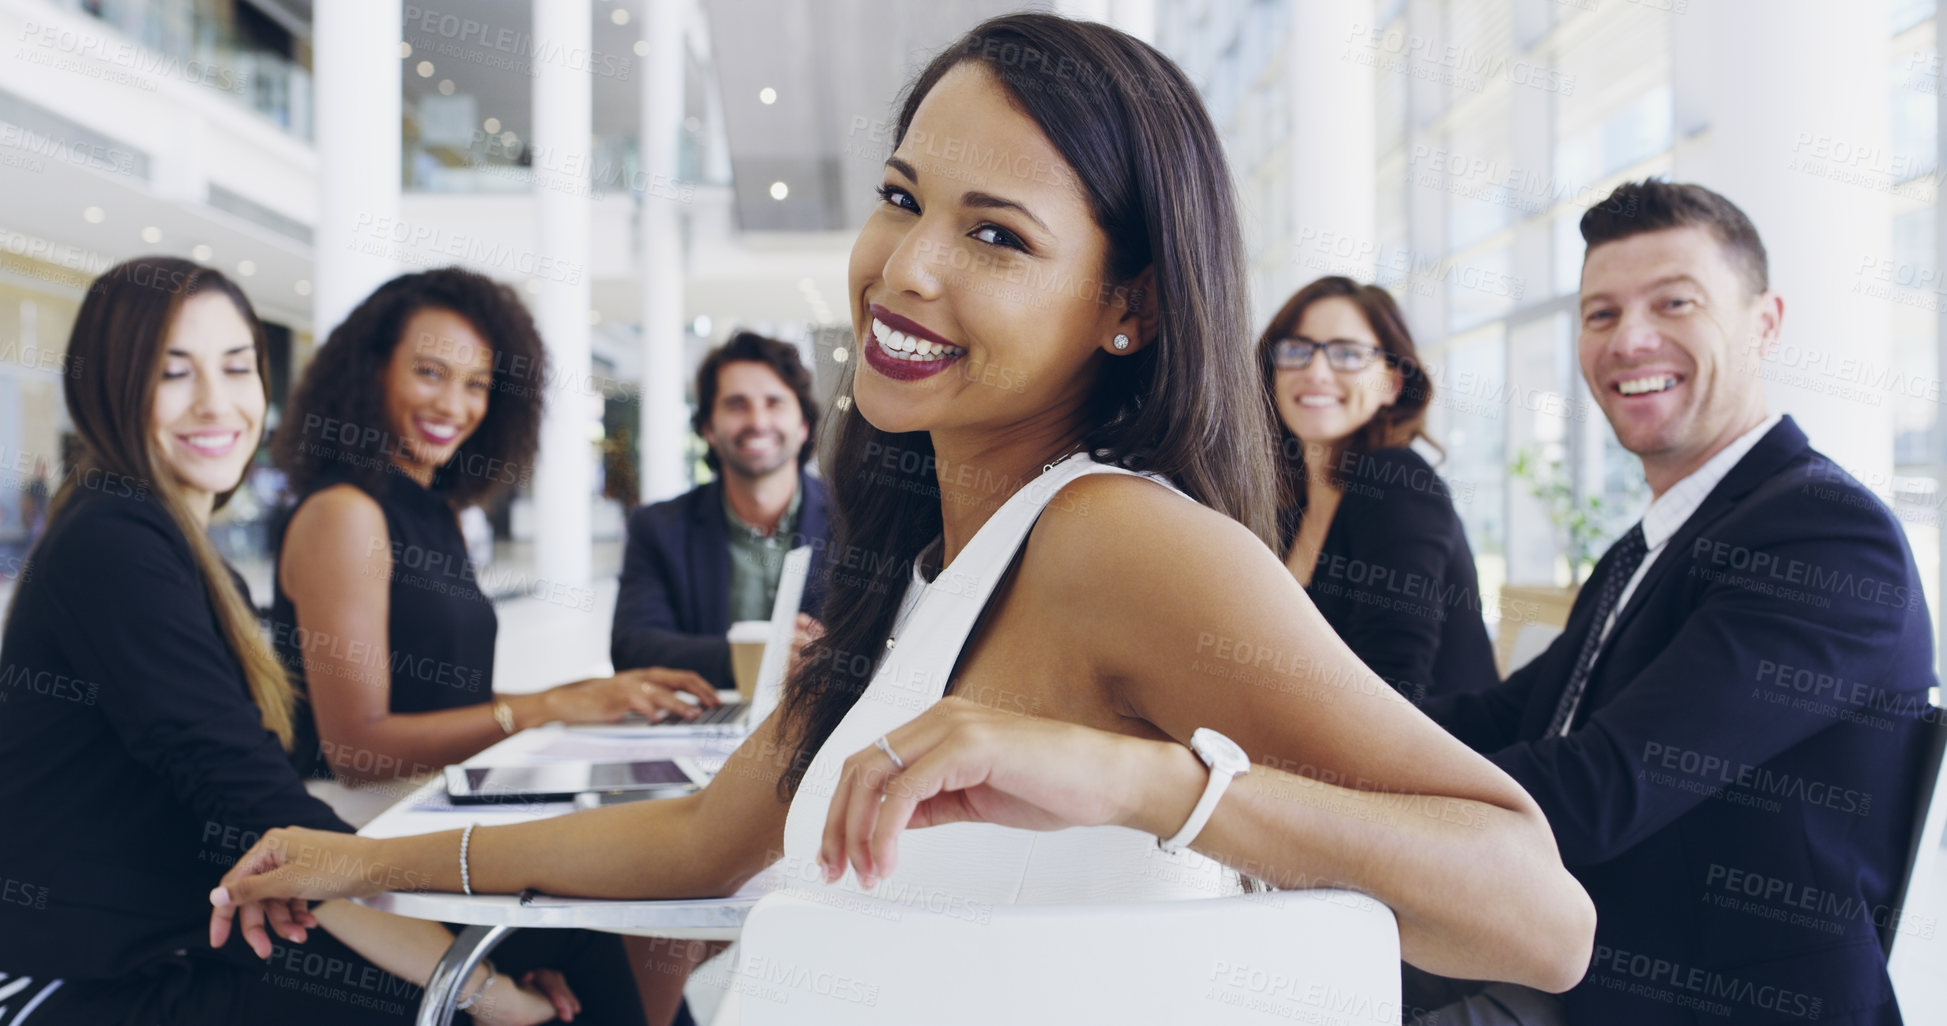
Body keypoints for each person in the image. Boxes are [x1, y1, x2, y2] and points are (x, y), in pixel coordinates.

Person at [212, 13, 1595, 1003]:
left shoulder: (1120, 539)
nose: (904, 269)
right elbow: (697, 838)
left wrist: (1142, 782)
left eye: (995, 235)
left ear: (1130, 307)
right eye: (900, 198)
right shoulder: (920, 556)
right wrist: (371, 856)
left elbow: (1538, 915)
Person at [0, 257, 590, 1026]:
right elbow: (261, 806)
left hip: (189, 937)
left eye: (237, 367)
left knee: (561, 949)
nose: (217, 403)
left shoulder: (189, 557)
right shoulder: (114, 542)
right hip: (75, 982)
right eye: (174, 372)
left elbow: (257, 821)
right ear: (109, 385)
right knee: (522, 991)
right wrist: (479, 987)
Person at [1418, 180, 1936, 1025]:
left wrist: (1309, 802)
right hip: (1578, 964)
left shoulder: (1826, 537)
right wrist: (1293, 732)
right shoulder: (1652, 539)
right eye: (1599, 314)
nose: (1630, 339)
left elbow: (1598, 789)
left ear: (1764, 322)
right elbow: (1510, 717)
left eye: (1674, 302)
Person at [269, 267, 721, 797]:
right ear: (372, 371)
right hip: (354, 827)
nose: (453, 405)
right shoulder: (345, 513)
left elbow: (439, 705)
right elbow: (356, 750)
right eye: (430, 372)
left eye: (476, 384)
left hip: (436, 801)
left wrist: (589, 694)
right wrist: (543, 709)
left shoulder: (440, 510)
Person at [1259, 276, 1497, 704]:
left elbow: (1391, 693)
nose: (1315, 371)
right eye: (1296, 350)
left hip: (1426, 763)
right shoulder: (1288, 509)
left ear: (1392, 383)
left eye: (1347, 354)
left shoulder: (1397, 481)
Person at [611, 331, 831, 688]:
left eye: (774, 402)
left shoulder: (859, 521)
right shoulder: (657, 527)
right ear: (708, 428)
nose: (758, 421)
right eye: (737, 404)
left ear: (804, 426)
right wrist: (762, 657)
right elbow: (632, 648)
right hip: (702, 725)